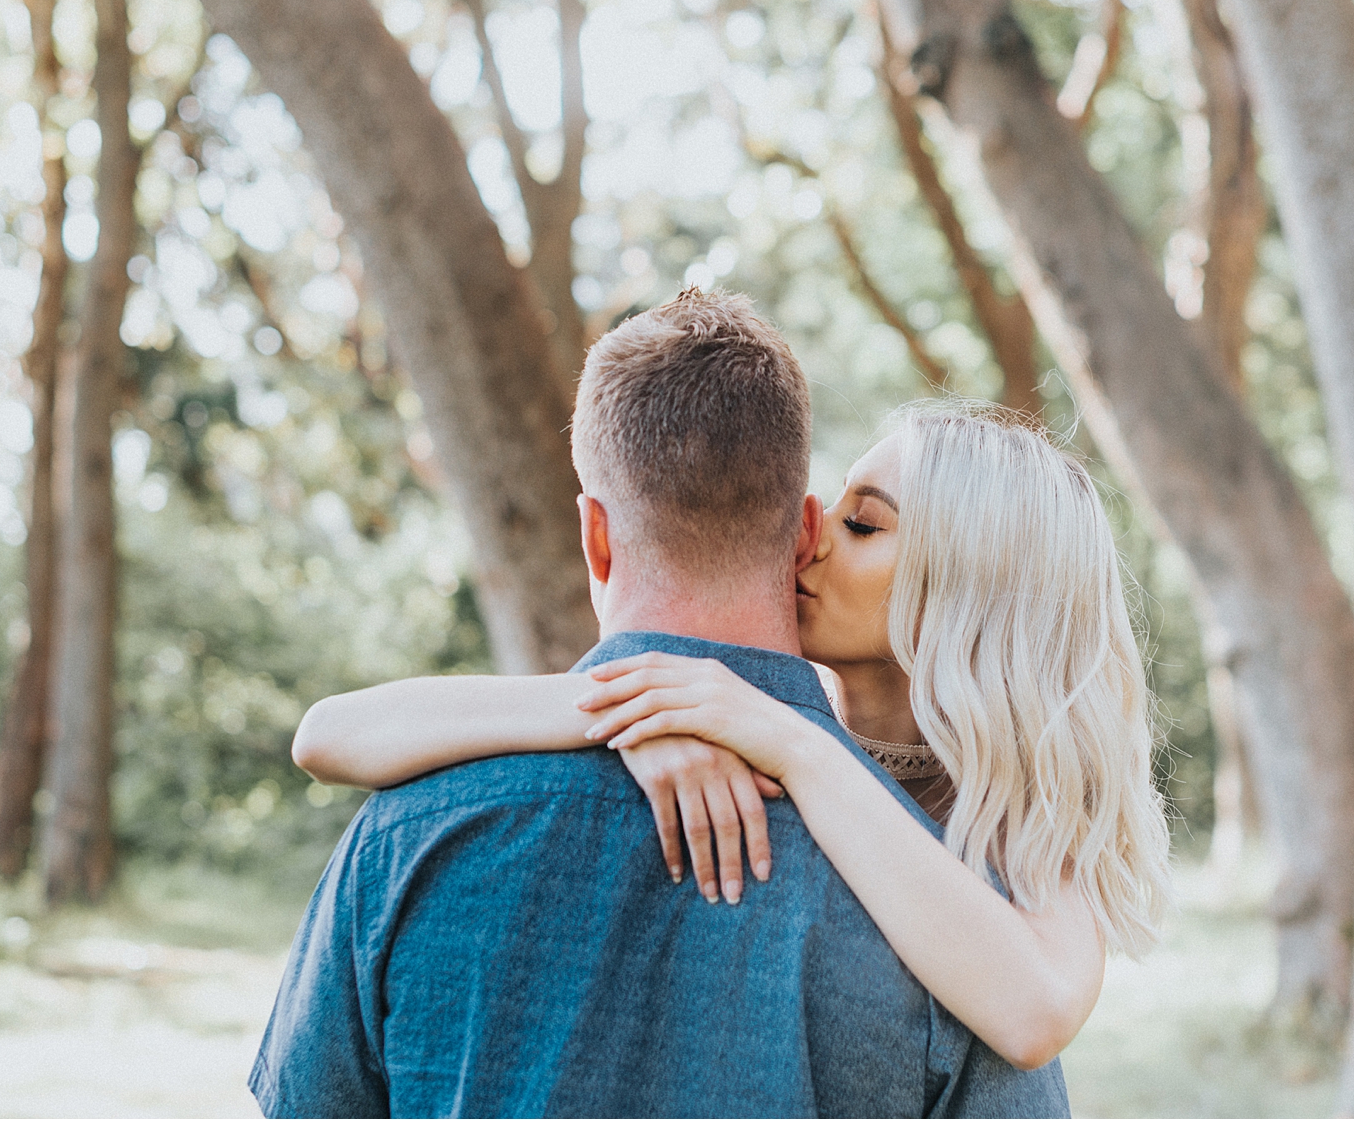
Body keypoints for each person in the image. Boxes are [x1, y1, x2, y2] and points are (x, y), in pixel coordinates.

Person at [250, 288, 1077, 1117]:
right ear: (799, 532)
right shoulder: (953, 925)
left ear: (596, 537)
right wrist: (632, 709)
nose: (827, 547)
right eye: (841, 524)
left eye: (867, 528)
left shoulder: (406, 834)